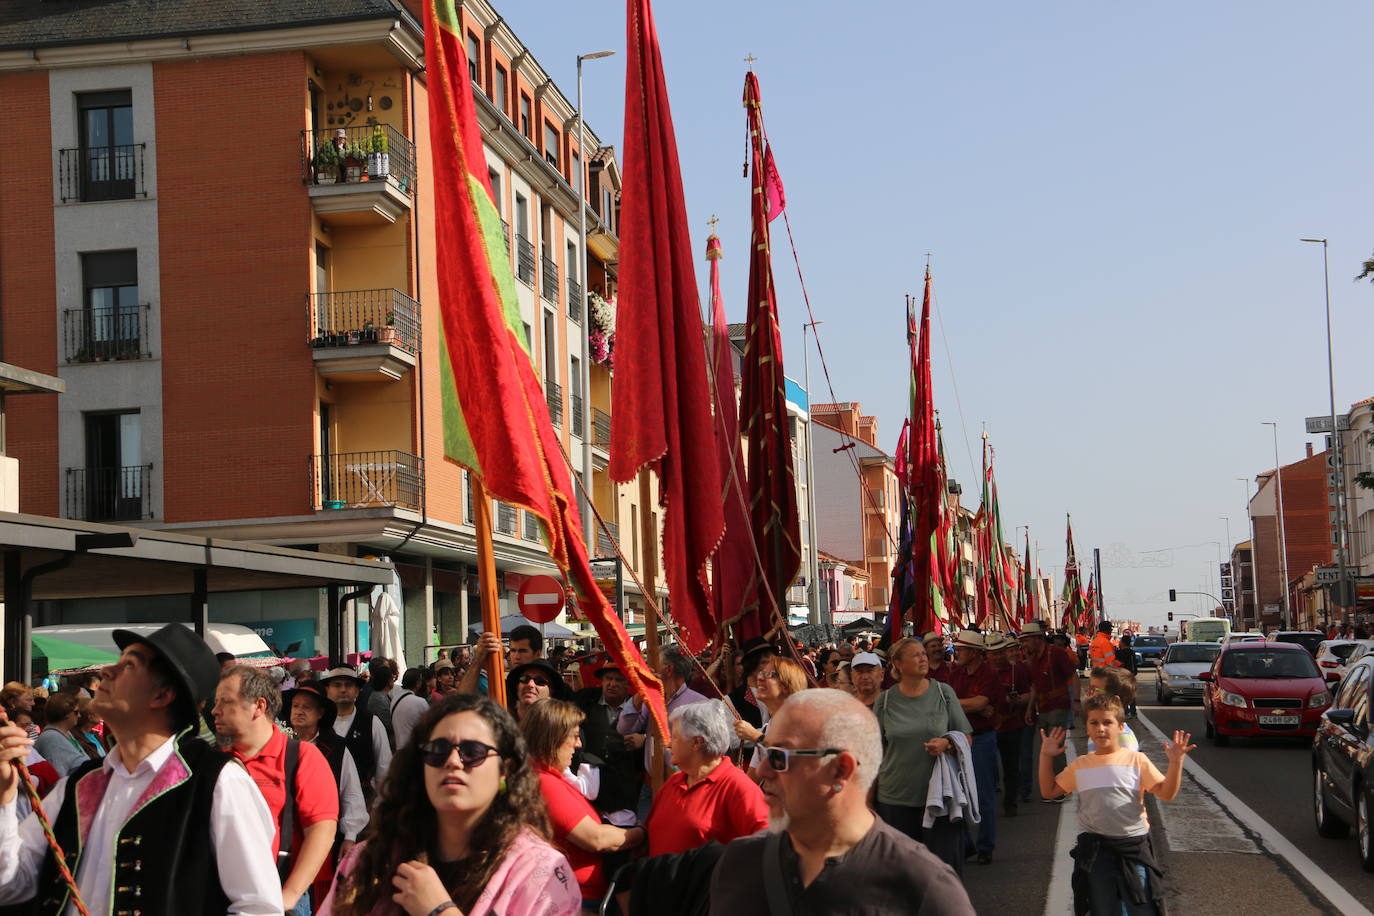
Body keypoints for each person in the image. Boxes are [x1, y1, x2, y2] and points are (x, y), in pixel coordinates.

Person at [0, 623, 281, 915]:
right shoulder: (79, 784)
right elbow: (9, 886)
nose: (107, 670)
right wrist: (4, 798)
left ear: (161, 696)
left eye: (129, 665)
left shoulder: (218, 781)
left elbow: (258, 907)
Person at [709, 689, 974, 915]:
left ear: (840, 769)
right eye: (764, 753)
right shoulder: (740, 862)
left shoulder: (923, 885)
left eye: (779, 756)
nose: (764, 772)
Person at [320, 694, 580, 916]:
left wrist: (440, 910)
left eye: (472, 751)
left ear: (505, 769)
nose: (453, 761)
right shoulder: (370, 860)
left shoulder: (540, 871)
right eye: (438, 750)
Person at [1040, 694, 1194, 915]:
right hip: (1096, 853)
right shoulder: (1081, 765)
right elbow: (1049, 791)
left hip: (1133, 849)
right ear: (1087, 727)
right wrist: (1045, 756)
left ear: (1121, 727)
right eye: (1094, 723)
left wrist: (1176, 763)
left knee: (1143, 907)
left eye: (1107, 722)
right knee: (1104, 909)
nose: (1100, 728)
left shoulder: (1136, 760)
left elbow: (1166, 793)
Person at [215, 665, 339, 916]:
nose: (215, 710)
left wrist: (288, 897)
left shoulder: (301, 757)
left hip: (280, 894)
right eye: (216, 702)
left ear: (258, 707)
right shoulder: (215, 760)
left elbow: (322, 831)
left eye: (226, 702)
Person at [523, 699, 645, 905]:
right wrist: (642, 834)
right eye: (574, 736)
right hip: (577, 900)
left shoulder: (549, 777)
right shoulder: (544, 783)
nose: (579, 744)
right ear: (553, 738)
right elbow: (596, 838)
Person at [872, 637, 972, 877]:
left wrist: (947, 743)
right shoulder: (885, 701)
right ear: (898, 663)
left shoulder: (943, 692)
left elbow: (967, 737)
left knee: (945, 869)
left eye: (923, 654)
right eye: (916, 655)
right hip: (895, 797)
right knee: (903, 871)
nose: (923, 658)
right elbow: (874, 751)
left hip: (940, 794)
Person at [643, 699, 768, 857]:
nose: (668, 744)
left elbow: (766, 844)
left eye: (674, 737)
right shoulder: (674, 782)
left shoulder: (738, 787)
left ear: (697, 742)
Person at [946, 629, 1003, 864]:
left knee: (983, 794)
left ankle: (985, 846)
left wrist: (968, 705)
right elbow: (948, 701)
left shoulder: (989, 674)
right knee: (958, 795)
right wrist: (972, 706)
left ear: (975, 652)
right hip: (959, 739)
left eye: (961, 649)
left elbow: (979, 703)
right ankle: (967, 844)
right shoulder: (956, 673)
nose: (956, 652)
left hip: (981, 738)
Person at [619, 647, 708, 772]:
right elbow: (624, 728)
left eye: (653, 664)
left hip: (685, 783)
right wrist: (641, 692)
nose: (648, 669)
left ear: (669, 669)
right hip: (651, 784)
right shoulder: (650, 699)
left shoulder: (700, 704)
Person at [574, 663, 644, 816]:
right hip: (588, 781)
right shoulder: (584, 700)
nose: (612, 684)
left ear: (628, 684)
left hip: (624, 787)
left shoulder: (640, 707)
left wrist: (644, 739)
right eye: (608, 679)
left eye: (619, 680)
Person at [1020, 620, 1077, 798]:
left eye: (1026, 640)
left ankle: (1059, 788)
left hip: (1058, 705)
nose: (1024, 644)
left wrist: (1076, 701)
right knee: (1047, 746)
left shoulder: (1056, 653)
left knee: (1056, 746)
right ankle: (1052, 784)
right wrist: (1030, 708)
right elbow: (1035, 686)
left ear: (1037, 639)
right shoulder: (1034, 658)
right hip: (1043, 707)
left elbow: (1073, 676)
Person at [732, 655, 809, 779]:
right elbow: (751, 780)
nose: (760, 678)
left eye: (771, 675)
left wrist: (755, 736)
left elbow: (791, 762)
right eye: (762, 673)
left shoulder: (801, 721)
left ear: (786, 685)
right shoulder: (770, 726)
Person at [323, 666, 392, 798]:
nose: (343, 689)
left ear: (357, 691)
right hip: (325, 800)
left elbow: (384, 766)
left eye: (348, 685)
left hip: (365, 799)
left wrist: (380, 804)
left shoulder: (372, 722)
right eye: (337, 685)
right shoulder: (320, 723)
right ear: (327, 690)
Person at [988, 634, 1031, 818]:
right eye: (993, 653)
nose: (997, 657)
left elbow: (1029, 694)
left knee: (1011, 767)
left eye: (1000, 652)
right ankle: (987, 803)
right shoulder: (983, 672)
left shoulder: (1017, 671)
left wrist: (1018, 700)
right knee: (987, 768)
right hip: (988, 727)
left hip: (1011, 724)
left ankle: (1011, 803)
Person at [31, 693, 88, 778]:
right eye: (76, 712)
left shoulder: (65, 733)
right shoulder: (52, 739)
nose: (79, 716)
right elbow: (57, 778)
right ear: (66, 713)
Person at [1088, 667, 1140, 750]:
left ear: (1115, 701)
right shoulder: (1098, 733)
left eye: (1095, 690)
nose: (1089, 695)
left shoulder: (1123, 740)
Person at [506, 658, 574, 721]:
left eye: (540, 681)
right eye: (524, 679)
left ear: (551, 692)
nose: (530, 684)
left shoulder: (561, 728)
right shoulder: (501, 723)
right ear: (517, 687)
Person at [388, 668, 431, 750]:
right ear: (418, 683)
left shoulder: (395, 699)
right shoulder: (419, 702)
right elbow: (430, 726)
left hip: (399, 750)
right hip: (413, 751)